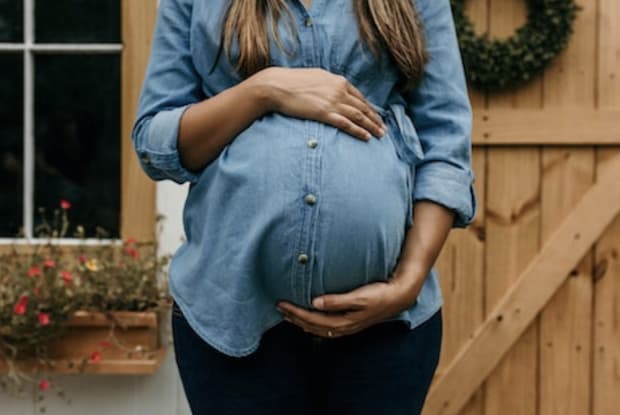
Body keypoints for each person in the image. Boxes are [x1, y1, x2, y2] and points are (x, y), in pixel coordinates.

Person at [132, 0, 477, 413]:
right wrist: (265, 90)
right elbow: (155, 142)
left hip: (387, 328)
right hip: (231, 319)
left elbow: (446, 142)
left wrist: (409, 281)